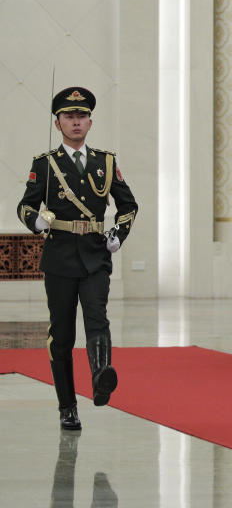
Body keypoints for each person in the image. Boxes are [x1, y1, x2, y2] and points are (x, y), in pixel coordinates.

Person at [17, 87, 138, 430]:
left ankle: (101, 377)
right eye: (69, 117)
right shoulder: (45, 164)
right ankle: (67, 406)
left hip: (96, 254)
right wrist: (35, 221)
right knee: (63, 334)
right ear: (58, 124)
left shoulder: (106, 162)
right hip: (59, 256)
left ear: (90, 122)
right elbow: (25, 205)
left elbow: (128, 205)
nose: (76, 122)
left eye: (81, 116)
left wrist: (118, 234)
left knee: (98, 317)